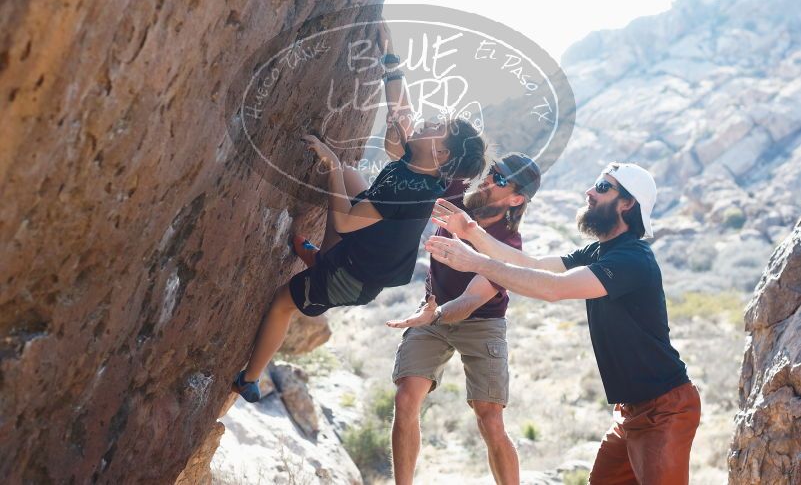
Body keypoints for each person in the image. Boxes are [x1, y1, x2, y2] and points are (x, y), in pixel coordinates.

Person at [231, 24, 488, 403]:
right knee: (354, 177)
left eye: (436, 127)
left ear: (443, 155)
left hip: (352, 279)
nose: (426, 122)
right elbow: (402, 110)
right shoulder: (421, 166)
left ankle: (249, 379)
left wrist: (332, 163)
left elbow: (347, 221)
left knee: (283, 302)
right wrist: (390, 58)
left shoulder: (408, 187)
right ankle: (320, 258)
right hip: (364, 252)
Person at [425, 162, 701, 485]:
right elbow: (534, 266)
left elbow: (553, 290)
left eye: (602, 187)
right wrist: (471, 232)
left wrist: (475, 261)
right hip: (629, 412)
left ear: (627, 204)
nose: (589, 192)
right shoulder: (600, 252)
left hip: (664, 411)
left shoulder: (633, 259)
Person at [385, 153, 541, 485]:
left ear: (516, 199)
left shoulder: (507, 244)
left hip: (481, 322)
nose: (488, 179)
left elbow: (471, 301)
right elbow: (412, 156)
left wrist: (434, 315)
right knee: (406, 398)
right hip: (432, 310)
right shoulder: (459, 196)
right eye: (492, 171)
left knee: (489, 418)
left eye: (500, 179)